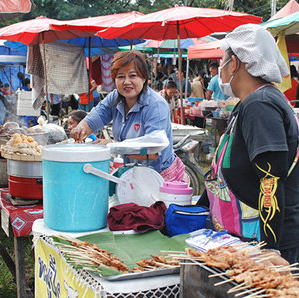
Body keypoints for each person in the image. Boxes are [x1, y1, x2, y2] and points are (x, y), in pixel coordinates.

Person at [198, 24, 299, 265]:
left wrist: (271, 248)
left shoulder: (261, 105)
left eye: (223, 59)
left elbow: (270, 179)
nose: (220, 67)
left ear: (235, 63)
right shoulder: (247, 104)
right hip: (243, 239)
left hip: (267, 245)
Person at [71, 50, 190, 183]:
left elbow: (153, 152)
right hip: (134, 174)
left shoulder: (155, 105)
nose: (126, 82)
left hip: (160, 177)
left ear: (144, 78)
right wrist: (80, 128)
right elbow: (96, 116)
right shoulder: (115, 97)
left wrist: (112, 145)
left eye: (132, 75)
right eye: (120, 77)